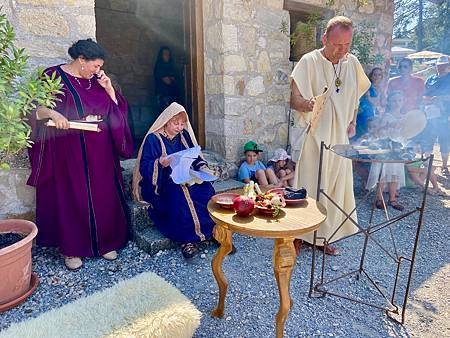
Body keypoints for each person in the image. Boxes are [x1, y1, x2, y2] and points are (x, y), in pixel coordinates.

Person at [27, 39, 133, 270]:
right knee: (71, 195)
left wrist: (109, 89)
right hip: (67, 152)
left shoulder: (97, 81)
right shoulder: (52, 76)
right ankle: (72, 249)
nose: (98, 71)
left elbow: (117, 111)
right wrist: (53, 114)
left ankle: (105, 243)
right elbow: (34, 108)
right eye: (95, 65)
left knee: (103, 194)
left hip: (100, 151)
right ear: (81, 60)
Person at [290, 16, 370, 255]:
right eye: (337, 45)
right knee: (310, 186)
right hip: (315, 138)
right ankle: (298, 234)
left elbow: (355, 96)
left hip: (340, 142)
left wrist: (353, 121)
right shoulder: (308, 61)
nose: (342, 50)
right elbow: (293, 100)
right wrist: (309, 104)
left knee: (334, 189)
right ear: (324, 38)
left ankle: (322, 236)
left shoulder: (352, 63)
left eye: (347, 45)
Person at [132, 102, 215, 259]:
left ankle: (211, 232)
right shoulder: (153, 139)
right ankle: (187, 240)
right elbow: (145, 166)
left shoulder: (183, 136)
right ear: (166, 121)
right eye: (176, 123)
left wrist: (203, 169)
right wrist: (160, 163)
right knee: (178, 196)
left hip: (186, 176)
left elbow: (195, 156)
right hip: (162, 182)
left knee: (205, 190)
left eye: (182, 124)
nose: (180, 127)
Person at [366, 91, 407, 210]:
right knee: (382, 174)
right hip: (385, 147)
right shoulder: (386, 116)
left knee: (394, 174)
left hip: (397, 149)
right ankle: (379, 198)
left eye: (399, 100)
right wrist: (388, 127)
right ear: (389, 102)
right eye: (394, 100)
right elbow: (378, 132)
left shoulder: (404, 117)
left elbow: (406, 133)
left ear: (403, 102)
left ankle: (392, 199)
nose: (397, 103)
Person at [419, 55, 450, 176]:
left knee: (444, 139)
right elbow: (424, 94)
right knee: (428, 138)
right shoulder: (431, 79)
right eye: (439, 65)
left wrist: (440, 98)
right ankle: (425, 164)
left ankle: (444, 165)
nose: (440, 68)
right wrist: (427, 100)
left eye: (443, 65)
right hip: (430, 114)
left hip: (445, 115)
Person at [354, 67, 386, 140]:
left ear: (381, 77)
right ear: (371, 76)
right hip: (364, 115)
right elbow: (374, 102)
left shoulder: (380, 88)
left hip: (373, 116)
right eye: (375, 75)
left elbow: (383, 103)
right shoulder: (367, 87)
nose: (377, 77)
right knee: (362, 137)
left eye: (379, 75)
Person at [154, 46, 180, 112]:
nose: (167, 56)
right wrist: (172, 79)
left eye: (168, 54)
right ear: (161, 55)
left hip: (172, 98)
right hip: (163, 98)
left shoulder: (171, 67)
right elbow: (168, 81)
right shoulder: (159, 67)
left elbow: (176, 79)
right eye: (165, 54)